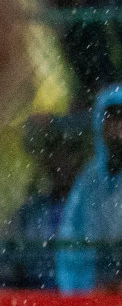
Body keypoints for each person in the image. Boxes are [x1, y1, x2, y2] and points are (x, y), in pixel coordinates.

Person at [55, 84, 122, 292]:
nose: (117, 127)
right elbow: (71, 237)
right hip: (97, 290)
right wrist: (83, 288)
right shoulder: (90, 179)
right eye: (110, 118)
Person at [0, 118, 83, 289]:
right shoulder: (30, 212)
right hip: (34, 301)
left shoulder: (91, 209)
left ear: (80, 160)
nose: (62, 162)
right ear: (47, 161)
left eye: (69, 153)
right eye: (57, 154)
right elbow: (8, 260)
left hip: (84, 302)